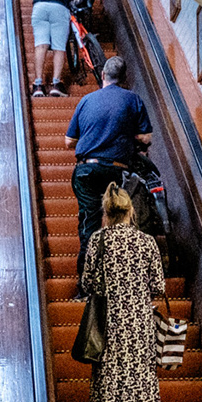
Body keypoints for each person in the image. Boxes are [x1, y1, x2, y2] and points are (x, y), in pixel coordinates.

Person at [81, 182, 166, 402]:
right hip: (140, 325)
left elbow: (87, 283)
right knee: (143, 384)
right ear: (131, 211)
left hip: (107, 324)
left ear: (106, 212)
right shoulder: (146, 243)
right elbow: (158, 286)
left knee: (106, 384)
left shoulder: (98, 240)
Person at [64, 56, 153, 264]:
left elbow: (69, 141)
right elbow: (146, 137)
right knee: (119, 221)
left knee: (89, 223)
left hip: (87, 171)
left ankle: (86, 284)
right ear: (124, 78)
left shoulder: (86, 100)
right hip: (117, 171)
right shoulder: (133, 99)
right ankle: (120, 273)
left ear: (103, 75)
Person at [15, 0, 80, 96]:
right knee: (58, 47)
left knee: (41, 44)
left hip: (39, 7)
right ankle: (56, 84)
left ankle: (38, 85)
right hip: (59, 7)